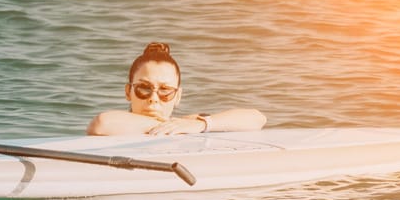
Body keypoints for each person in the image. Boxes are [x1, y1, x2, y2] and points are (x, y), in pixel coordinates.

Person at [87, 42, 267, 135]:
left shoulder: (184, 125)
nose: (154, 98)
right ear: (128, 91)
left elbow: (257, 119)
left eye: (165, 90)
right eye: (144, 88)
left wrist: (201, 124)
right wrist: (166, 125)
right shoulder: (117, 123)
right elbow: (101, 124)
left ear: (178, 96)